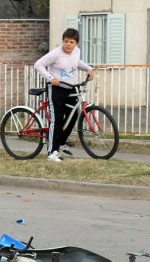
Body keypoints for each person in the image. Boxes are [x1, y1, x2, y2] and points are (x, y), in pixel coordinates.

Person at [34, 28, 94, 162]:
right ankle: (52, 152)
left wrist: (89, 68)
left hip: (69, 87)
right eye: (66, 41)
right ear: (63, 41)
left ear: (76, 44)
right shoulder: (55, 53)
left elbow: (76, 63)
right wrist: (50, 78)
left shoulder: (76, 52)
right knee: (57, 120)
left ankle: (61, 143)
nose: (68, 44)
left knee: (74, 115)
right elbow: (38, 64)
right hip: (56, 88)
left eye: (71, 42)